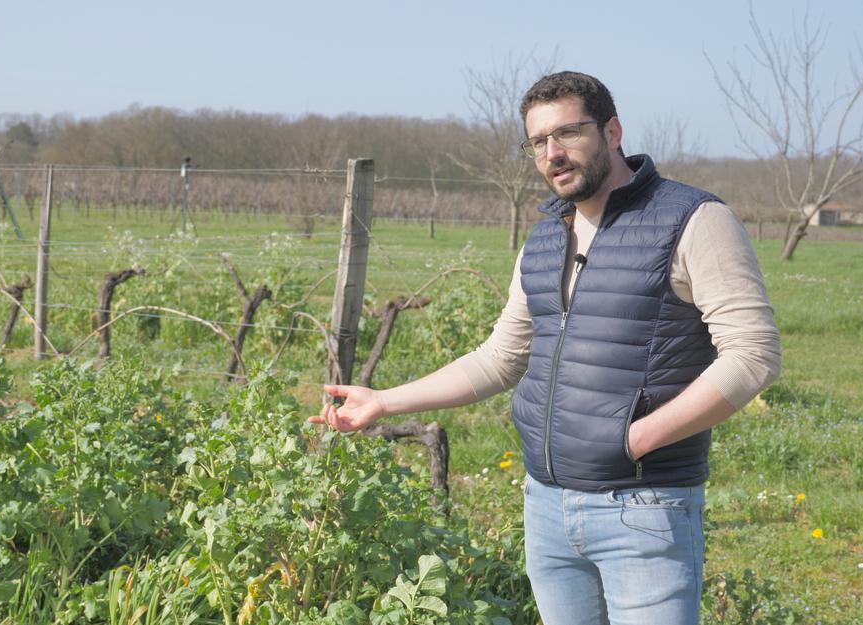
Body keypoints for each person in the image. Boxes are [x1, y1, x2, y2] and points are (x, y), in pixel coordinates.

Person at [311, 71, 781, 625]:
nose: (552, 154)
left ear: (612, 130)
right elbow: (500, 358)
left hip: (643, 506)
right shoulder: (544, 238)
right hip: (548, 509)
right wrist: (384, 401)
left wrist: (637, 439)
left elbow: (753, 354)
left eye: (567, 134)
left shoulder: (693, 220)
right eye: (537, 142)